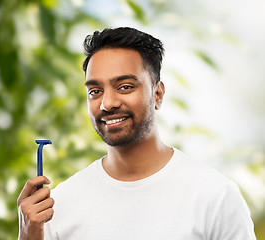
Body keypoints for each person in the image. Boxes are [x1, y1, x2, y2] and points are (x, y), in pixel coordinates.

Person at [17, 27, 256, 240]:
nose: (107, 103)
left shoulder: (215, 196)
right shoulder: (56, 207)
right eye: (95, 91)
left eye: (125, 87)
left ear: (158, 94)